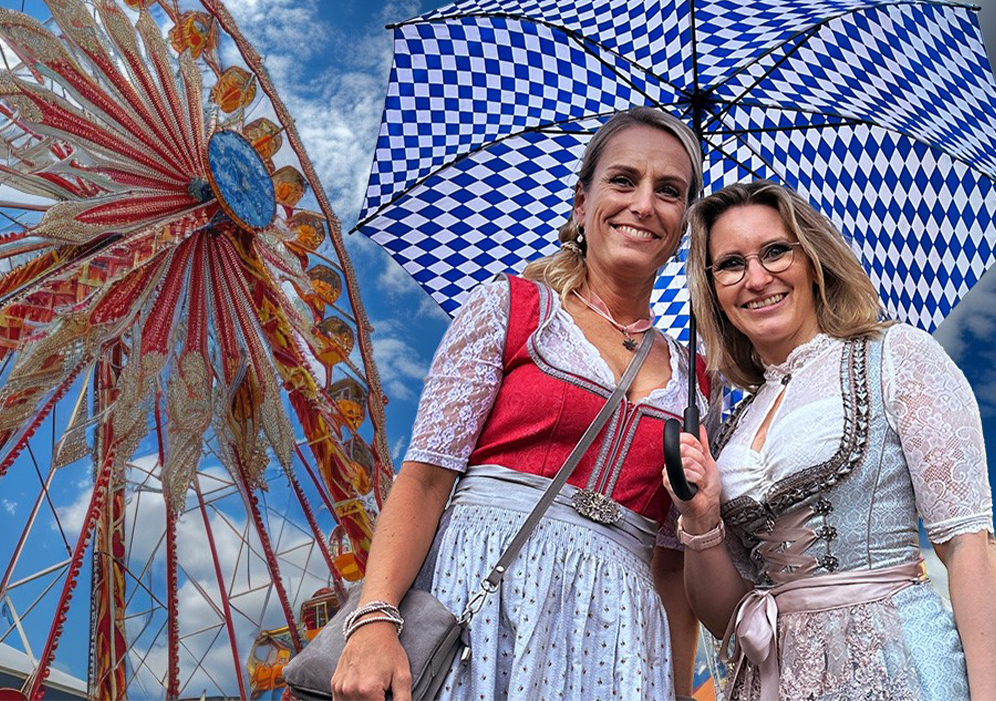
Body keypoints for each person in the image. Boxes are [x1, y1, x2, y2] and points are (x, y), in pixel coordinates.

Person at [331, 108, 716, 701]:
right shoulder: (509, 309)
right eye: (623, 180)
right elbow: (427, 478)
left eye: (669, 191)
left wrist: (677, 691)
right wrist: (375, 618)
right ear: (582, 203)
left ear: (684, 224)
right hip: (482, 597)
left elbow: (671, 564)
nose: (644, 204)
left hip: (619, 638)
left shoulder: (698, 385)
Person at [666, 180, 996, 701]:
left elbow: (967, 547)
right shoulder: (732, 427)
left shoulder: (895, 355)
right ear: (712, 289)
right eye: (730, 263)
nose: (756, 278)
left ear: (813, 258)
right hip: (773, 680)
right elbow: (727, 615)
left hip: (896, 665)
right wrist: (702, 520)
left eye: (775, 251)